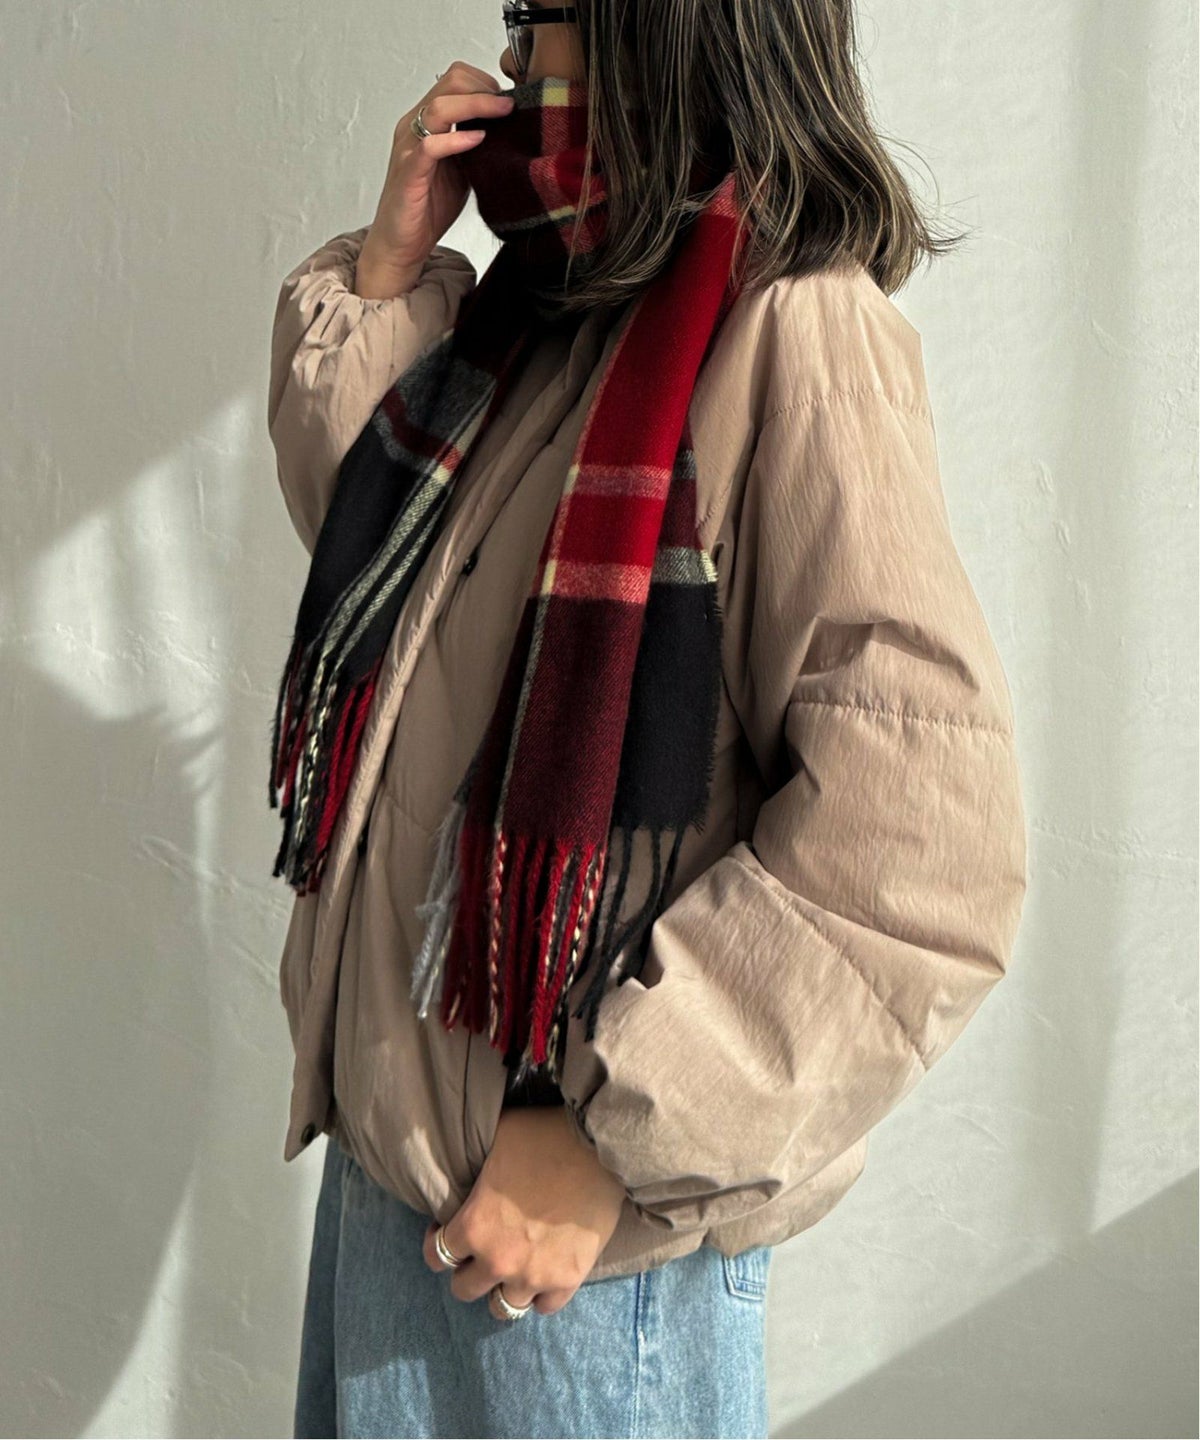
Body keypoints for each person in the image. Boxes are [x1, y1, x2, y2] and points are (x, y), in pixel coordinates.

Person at [266, 1, 1028, 1436]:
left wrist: (610, 1136)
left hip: (577, 1271)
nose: (512, 62)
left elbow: (922, 851)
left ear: (662, 32)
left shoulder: (798, 331)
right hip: (399, 1186)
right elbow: (381, 576)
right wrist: (390, 272)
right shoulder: (548, 312)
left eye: (542, 18)